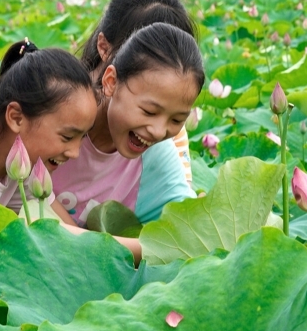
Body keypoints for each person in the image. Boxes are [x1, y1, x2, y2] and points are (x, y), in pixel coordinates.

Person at [51, 22, 204, 235]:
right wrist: (140, 248)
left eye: (177, 120)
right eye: (150, 111)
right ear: (111, 81)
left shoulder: (156, 151)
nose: (159, 132)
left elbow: (188, 233)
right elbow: (25, 195)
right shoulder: (57, 114)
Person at [0, 40, 98, 213]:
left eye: (82, 137)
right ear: (15, 118)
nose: (75, 153)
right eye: (67, 137)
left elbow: (63, 230)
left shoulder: (20, 165)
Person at [80, 0, 198, 186]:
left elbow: (179, 202)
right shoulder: (60, 109)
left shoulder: (166, 129)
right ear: (104, 47)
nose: (158, 130)